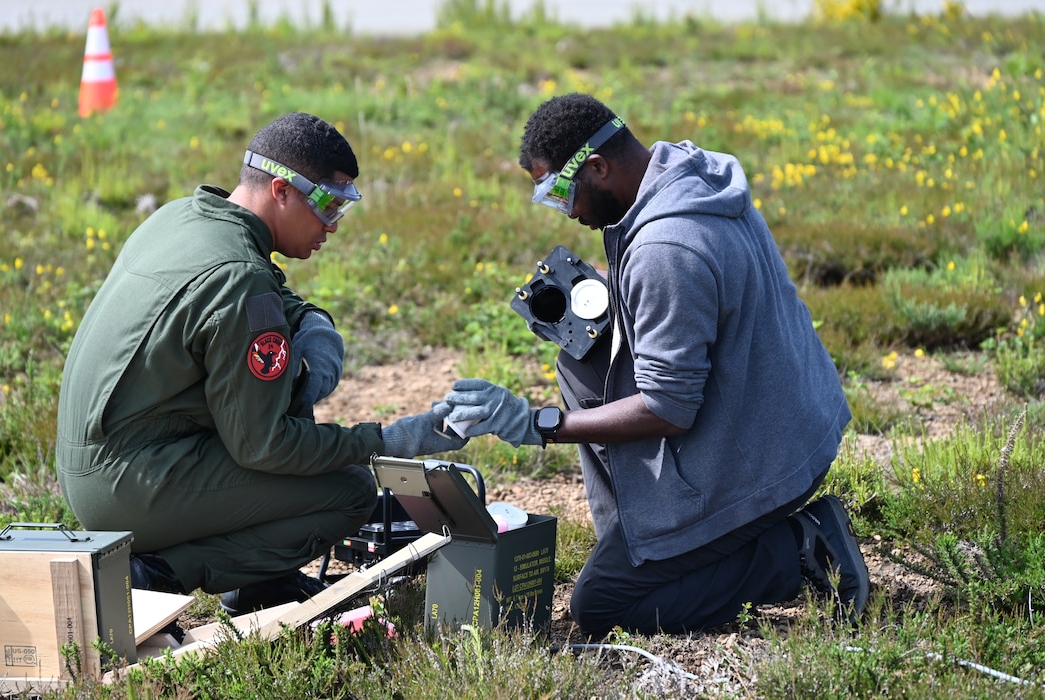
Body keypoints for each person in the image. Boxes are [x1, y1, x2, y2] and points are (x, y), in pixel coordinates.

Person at [445, 93, 868, 636]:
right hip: (781, 414)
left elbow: (669, 410)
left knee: (602, 606)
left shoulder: (668, 247)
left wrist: (539, 424)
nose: (568, 212)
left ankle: (802, 546)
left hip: (765, 463)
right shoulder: (685, 174)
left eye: (561, 194)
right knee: (581, 361)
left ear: (598, 166)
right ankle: (645, 538)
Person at [56, 112, 466, 615]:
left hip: (97, 466)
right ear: (281, 190)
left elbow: (261, 288)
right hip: (125, 491)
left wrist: (314, 323)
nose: (332, 227)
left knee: (286, 395)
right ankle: (160, 573)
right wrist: (386, 441)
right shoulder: (240, 279)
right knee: (348, 491)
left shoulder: (184, 216)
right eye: (328, 207)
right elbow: (264, 445)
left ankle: (261, 585)